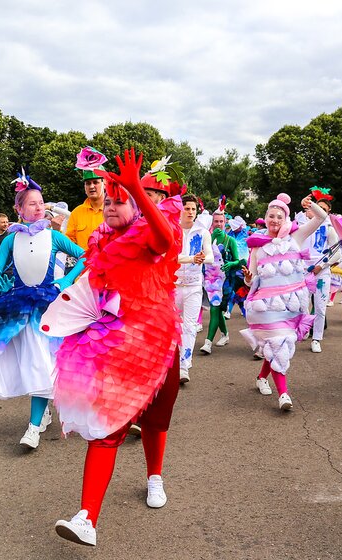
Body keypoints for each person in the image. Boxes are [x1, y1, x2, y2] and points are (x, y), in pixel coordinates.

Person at [48, 149, 182, 547]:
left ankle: (154, 477)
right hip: (115, 351)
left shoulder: (150, 235)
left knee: (156, 421)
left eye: (117, 201)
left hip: (157, 348)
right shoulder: (99, 241)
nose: (109, 205)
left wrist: (137, 190)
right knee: (106, 431)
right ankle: (86, 517)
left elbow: (164, 237)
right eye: (107, 200)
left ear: (137, 207)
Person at [0, 171, 85, 449]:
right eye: (31, 203)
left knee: (41, 364)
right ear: (18, 209)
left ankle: (33, 427)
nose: (38, 207)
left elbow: (85, 256)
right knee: (35, 364)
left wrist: (68, 280)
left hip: (49, 307)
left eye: (40, 202)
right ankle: (42, 412)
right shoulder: (10, 239)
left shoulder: (54, 236)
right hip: (21, 307)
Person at [240, 193, 326, 410]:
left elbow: (321, 217)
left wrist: (310, 204)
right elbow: (251, 278)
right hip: (266, 307)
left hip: (291, 306)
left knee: (277, 344)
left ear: (285, 218)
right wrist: (248, 278)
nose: (275, 220)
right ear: (266, 217)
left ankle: (261, 377)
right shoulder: (257, 246)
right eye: (271, 216)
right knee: (280, 344)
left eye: (279, 216)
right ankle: (284, 394)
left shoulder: (295, 238)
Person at [295, 188, 340, 353]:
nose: (319, 212)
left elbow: (337, 253)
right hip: (303, 271)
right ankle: (305, 328)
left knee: (320, 307)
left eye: (324, 210)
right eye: (316, 208)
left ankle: (317, 338)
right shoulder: (301, 225)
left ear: (328, 213)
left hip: (322, 271)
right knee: (302, 305)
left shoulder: (329, 229)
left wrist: (322, 266)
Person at [176, 194, 213, 383]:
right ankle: (168, 364)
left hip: (193, 285)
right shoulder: (172, 229)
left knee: (190, 326)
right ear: (179, 209)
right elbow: (169, 257)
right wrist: (191, 258)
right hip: (172, 286)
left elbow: (210, 257)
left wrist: (200, 258)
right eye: (187, 208)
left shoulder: (203, 232)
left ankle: (184, 365)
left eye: (193, 209)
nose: (190, 212)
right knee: (171, 326)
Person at [200, 203, 242, 354]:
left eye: (221, 221)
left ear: (225, 223)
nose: (218, 224)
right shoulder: (207, 238)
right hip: (209, 280)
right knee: (216, 310)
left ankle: (208, 342)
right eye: (216, 221)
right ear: (212, 223)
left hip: (224, 282)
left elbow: (238, 260)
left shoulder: (230, 241)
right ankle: (225, 334)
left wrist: (231, 263)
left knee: (214, 309)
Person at [67, 147, 108, 250]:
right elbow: (68, 244)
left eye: (95, 182)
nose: (91, 186)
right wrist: (57, 230)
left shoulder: (114, 211)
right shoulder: (76, 213)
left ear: (105, 184)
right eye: (88, 183)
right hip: (83, 264)